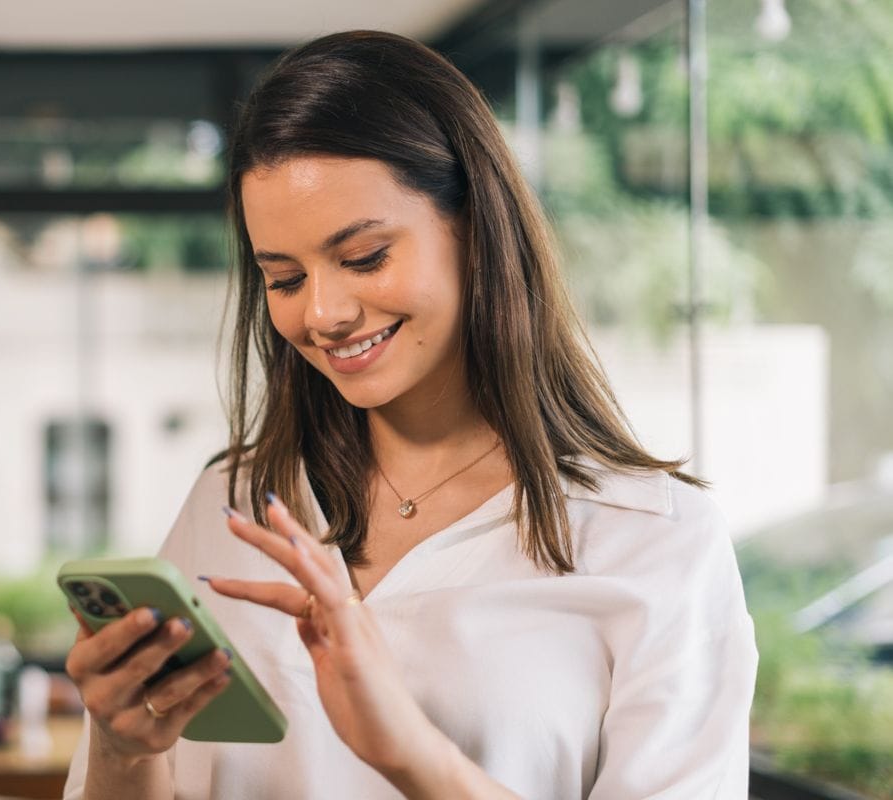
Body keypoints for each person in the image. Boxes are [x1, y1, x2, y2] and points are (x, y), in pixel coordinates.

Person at [62, 30, 758, 799]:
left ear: (474, 226)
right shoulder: (234, 505)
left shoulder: (652, 539)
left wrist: (412, 755)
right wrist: (123, 752)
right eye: (285, 278)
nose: (323, 314)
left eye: (364, 258)